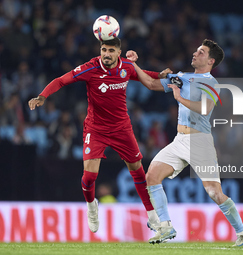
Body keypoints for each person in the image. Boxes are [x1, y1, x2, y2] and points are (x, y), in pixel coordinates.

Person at [28, 37, 172, 234]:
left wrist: (159, 74)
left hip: (122, 128)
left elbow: (144, 75)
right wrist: (42, 96)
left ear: (118, 53)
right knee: (89, 176)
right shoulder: (91, 68)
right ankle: (91, 206)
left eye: (111, 50)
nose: (106, 54)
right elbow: (62, 80)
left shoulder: (127, 66)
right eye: (103, 49)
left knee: (137, 171)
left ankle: (152, 215)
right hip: (96, 129)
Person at [132, 39, 243, 246]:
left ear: (210, 60)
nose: (195, 54)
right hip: (179, 140)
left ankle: (242, 233)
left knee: (214, 192)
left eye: (201, 52)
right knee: (151, 175)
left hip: (200, 141)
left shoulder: (212, 83)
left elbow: (205, 108)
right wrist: (133, 64)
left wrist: (179, 98)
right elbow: (151, 84)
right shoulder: (182, 77)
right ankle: (166, 226)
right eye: (196, 50)